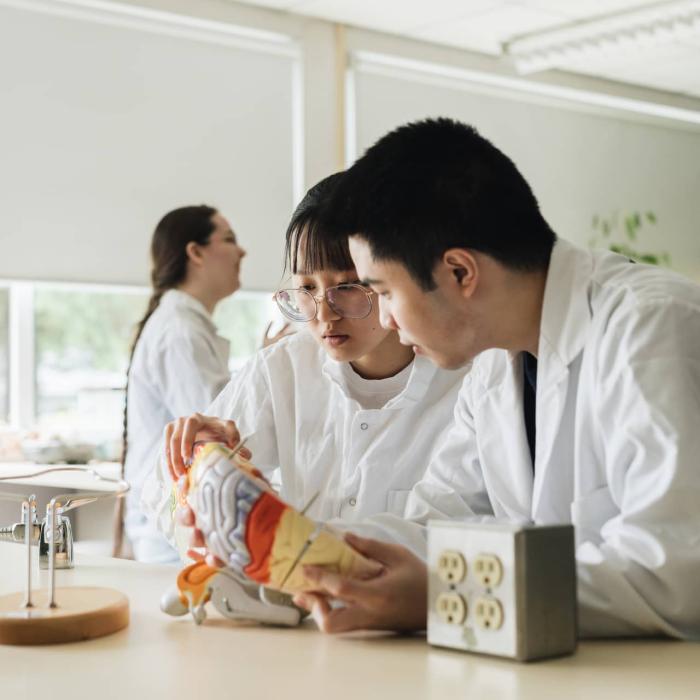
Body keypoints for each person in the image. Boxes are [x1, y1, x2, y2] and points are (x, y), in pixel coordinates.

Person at [292, 118, 700, 639]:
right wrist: (291, 546)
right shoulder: (494, 364)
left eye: (385, 292)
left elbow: (673, 577)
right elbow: (436, 521)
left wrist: (448, 596)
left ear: (460, 272)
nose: (387, 320)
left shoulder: (651, 329)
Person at [142, 174, 467, 558]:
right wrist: (200, 489)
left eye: (347, 286)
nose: (325, 313)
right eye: (307, 288)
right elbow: (161, 496)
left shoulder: (467, 381)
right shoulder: (284, 368)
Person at [119, 205, 245, 563]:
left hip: (177, 521)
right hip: (173, 529)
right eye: (230, 240)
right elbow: (219, 430)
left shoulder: (183, 325)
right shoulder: (179, 333)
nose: (242, 252)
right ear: (196, 252)